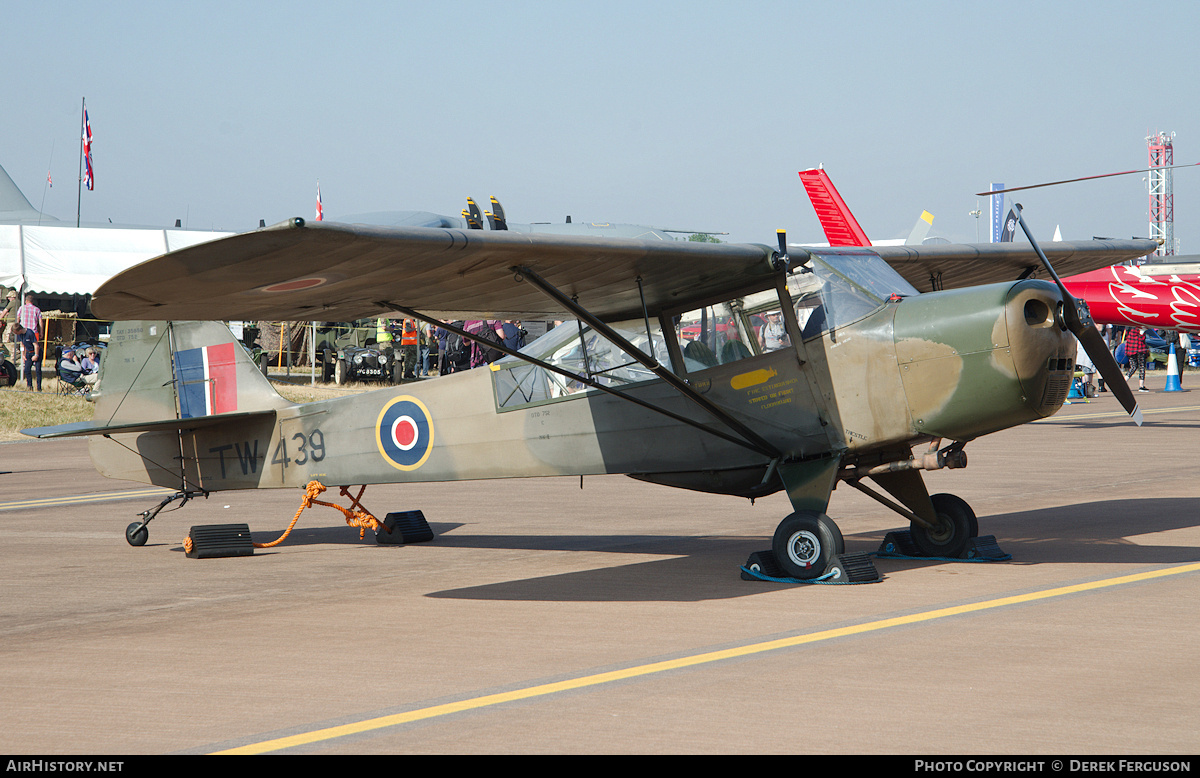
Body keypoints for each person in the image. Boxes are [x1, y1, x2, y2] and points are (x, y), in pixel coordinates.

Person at [13, 325, 41, 391]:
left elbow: (36, 345)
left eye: (16, 333)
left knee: (38, 370)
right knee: (27, 370)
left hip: (35, 351)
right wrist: (23, 355)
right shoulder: (20, 335)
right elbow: (22, 344)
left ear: (19, 330)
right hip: (28, 353)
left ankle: (39, 388)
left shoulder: (30, 333)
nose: (16, 334)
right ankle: (29, 386)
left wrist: (36, 355)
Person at [1124, 325, 1150, 393]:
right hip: (1140, 349)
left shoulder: (1128, 328)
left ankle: (1124, 381)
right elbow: (1142, 338)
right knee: (1141, 367)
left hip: (1130, 349)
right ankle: (1141, 386)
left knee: (1133, 367)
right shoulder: (1140, 328)